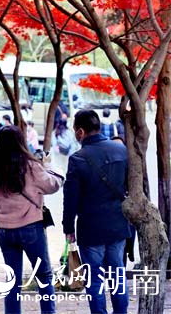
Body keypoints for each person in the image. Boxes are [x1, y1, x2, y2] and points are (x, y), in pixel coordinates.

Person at [0, 126, 64, 314]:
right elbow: (52, 185)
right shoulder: (30, 166)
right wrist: (50, 166)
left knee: (12, 281)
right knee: (43, 276)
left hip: (5, 230)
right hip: (30, 228)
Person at [63, 110, 130, 314]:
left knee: (94, 278)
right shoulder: (121, 150)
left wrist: (68, 227)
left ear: (80, 131)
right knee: (117, 274)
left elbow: (71, 198)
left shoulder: (78, 159)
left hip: (90, 229)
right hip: (118, 224)